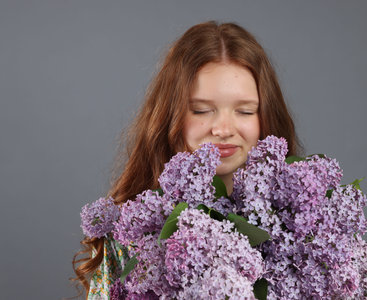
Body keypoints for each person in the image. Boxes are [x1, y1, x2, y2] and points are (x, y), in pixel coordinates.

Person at [72, 20, 302, 299]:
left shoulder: (304, 234)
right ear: (171, 117)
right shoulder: (126, 238)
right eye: (202, 110)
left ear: (266, 117)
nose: (223, 129)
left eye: (244, 111)